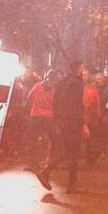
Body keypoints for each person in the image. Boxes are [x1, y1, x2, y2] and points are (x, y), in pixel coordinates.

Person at [37, 60, 86, 193]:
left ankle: (71, 182)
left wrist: (57, 118)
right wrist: (82, 122)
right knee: (72, 151)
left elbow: (56, 102)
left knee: (68, 150)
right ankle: (47, 173)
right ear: (78, 69)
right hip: (73, 121)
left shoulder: (61, 83)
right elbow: (77, 105)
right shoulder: (78, 84)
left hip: (61, 120)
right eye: (83, 68)